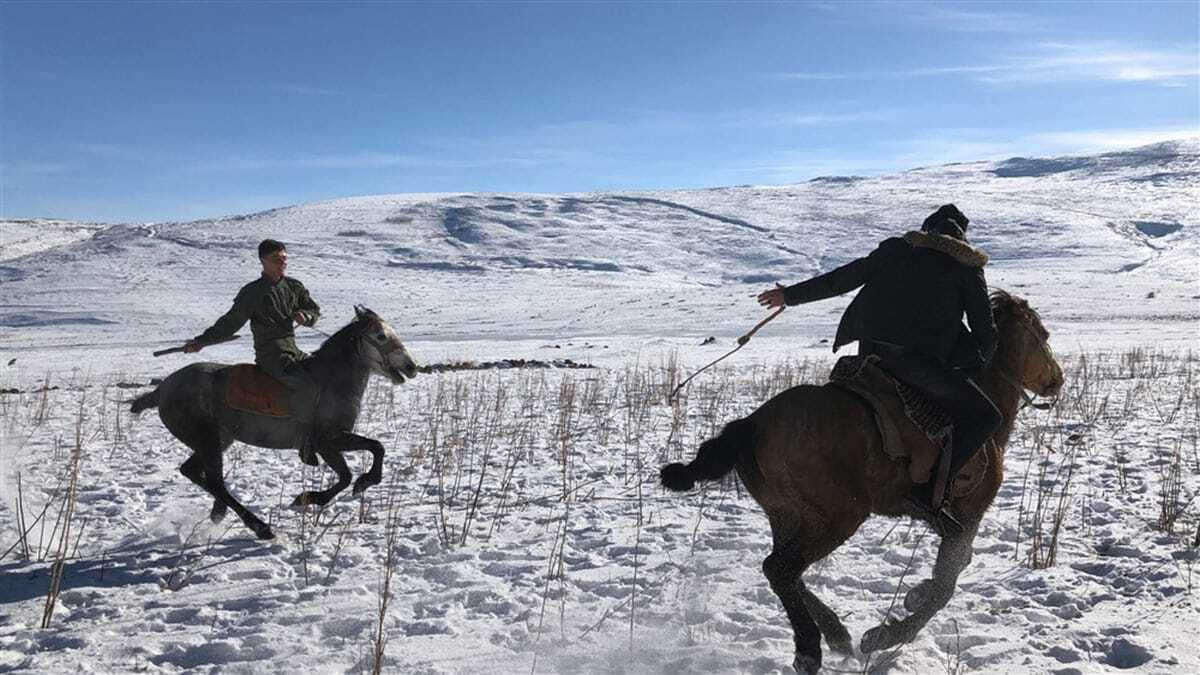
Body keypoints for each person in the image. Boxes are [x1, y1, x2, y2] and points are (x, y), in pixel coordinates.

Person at [757, 204, 1001, 523]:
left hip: (869, 356)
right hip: (916, 365)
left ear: (927, 229)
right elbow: (984, 331)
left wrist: (789, 296)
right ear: (962, 237)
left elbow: (842, 279)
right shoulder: (966, 265)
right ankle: (927, 495)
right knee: (986, 416)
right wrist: (980, 359)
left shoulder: (896, 249)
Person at [185, 239, 322, 463]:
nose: (282, 264)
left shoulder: (294, 286)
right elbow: (229, 323)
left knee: (322, 377)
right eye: (277, 260)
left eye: (285, 259)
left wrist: (305, 316)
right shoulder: (252, 292)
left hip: (294, 350)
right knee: (305, 385)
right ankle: (304, 442)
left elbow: (313, 309)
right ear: (263, 262)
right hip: (272, 355)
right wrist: (202, 341)